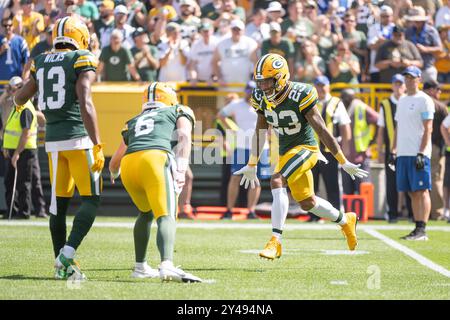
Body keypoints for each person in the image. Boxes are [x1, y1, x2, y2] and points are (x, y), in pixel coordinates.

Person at [234, 53, 368, 260]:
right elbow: (261, 130)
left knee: (277, 179)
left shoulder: (300, 93)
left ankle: (275, 241)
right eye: (261, 82)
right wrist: (252, 162)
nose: (264, 87)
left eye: (268, 81)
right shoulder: (260, 96)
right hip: (287, 151)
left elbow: (322, 130)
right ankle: (345, 220)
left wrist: (343, 160)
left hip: (307, 148)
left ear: (281, 78)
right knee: (308, 203)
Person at [13, 16, 105, 279]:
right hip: (78, 139)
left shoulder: (41, 60)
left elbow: (20, 96)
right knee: (91, 199)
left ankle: (61, 267)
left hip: (53, 143)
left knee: (58, 206)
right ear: (80, 36)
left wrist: (20, 106)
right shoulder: (81, 57)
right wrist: (98, 142)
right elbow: (85, 101)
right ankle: (67, 255)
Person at [108, 82, 201, 283]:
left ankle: (140, 267)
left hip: (129, 165)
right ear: (169, 98)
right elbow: (184, 135)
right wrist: (182, 168)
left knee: (146, 213)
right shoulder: (179, 109)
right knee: (166, 215)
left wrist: (114, 173)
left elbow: (115, 161)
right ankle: (167, 264)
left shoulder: (134, 120)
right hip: (155, 159)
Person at [389, 66, 434, 240]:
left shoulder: (425, 100)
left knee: (422, 190)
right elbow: (398, 127)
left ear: (419, 79)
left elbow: (428, 128)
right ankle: (417, 226)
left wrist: (422, 152)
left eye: (412, 78)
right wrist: (393, 150)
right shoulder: (401, 101)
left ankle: (423, 228)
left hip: (418, 152)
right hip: (403, 152)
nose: (408, 81)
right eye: (406, 77)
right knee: (411, 191)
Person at [218, 80, 271, 220]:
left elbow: (272, 121)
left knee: (256, 179)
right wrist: (231, 128)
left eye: (252, 91)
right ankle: (229, 210)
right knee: (235, 177)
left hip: (261, 146)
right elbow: (221, 114)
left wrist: (270, 133)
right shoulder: (237, 104)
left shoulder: (264, 104)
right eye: (248, 91)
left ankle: (251, 211)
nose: (250, 94)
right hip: (242, 146)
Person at [307, 75, 351, 222]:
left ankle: (336, 215)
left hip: (329, 151)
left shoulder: (336, 102)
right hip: (311, 151)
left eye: (323, 85)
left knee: (332, 184)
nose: (321, 88)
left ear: (328, 86)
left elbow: (345, 126)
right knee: (311, 185)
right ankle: (313, 215)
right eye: (318, 85)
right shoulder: (309, 102)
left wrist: (345, 148)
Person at [2, 77, 40, 220]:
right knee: (10, 181)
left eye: (15, 90)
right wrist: (6, 147)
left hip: (23, 151)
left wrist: (17, 153)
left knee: (23, 183)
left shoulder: (26, 108)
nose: (12, 93)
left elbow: (26, 133)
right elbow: (10, 129)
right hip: (13, 150)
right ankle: (12, 211)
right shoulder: (17, 106)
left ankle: (23, 213)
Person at [376, 74, 408, 223]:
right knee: (391, 183)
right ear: (392, 86)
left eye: (401, 84)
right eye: (396, 84)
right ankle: (393, 213)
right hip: (391, 150)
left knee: (409, 181)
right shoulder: (385, 104)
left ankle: (412, 214)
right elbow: (381, 130)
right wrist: (380, 149)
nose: (398, 86)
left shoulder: (409, 101)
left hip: (409, 147)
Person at [339, 89, 378, 195]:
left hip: (361, 156)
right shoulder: (341, 109)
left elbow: (378, 120)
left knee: (363, 189)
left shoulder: (360, 107)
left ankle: (364, 212)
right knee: (347, 192)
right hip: (346, 159)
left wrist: (371, 141)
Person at [423, 80, 448, 220]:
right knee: (436, 178)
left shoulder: (416, 102)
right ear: (431, 90)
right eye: (438, 90)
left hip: (418, 147)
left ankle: (418, 211)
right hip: (435, 147)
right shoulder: (440, 106)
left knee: (421, 180)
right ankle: (437, 212)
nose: (439, 93)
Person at [0, 16, 29, 82]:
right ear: (1, 27)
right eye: (5, 25)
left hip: (16, 82)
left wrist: (24, 78)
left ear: (13, 26)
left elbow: (26, 62)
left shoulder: (21, 41)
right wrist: (1, 51)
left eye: (10, 25)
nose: (7, 27)